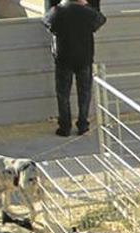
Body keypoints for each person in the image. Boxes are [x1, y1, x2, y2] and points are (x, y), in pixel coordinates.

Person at [42, 0, 106, 137]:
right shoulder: (87, 12)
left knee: (63, 94)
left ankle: (65, 127)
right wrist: (86, 5)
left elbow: (46, 21)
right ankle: (83, 125)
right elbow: (101, 19)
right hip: (84, 57)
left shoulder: (57, 11)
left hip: (63, 58)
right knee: (84, 93)